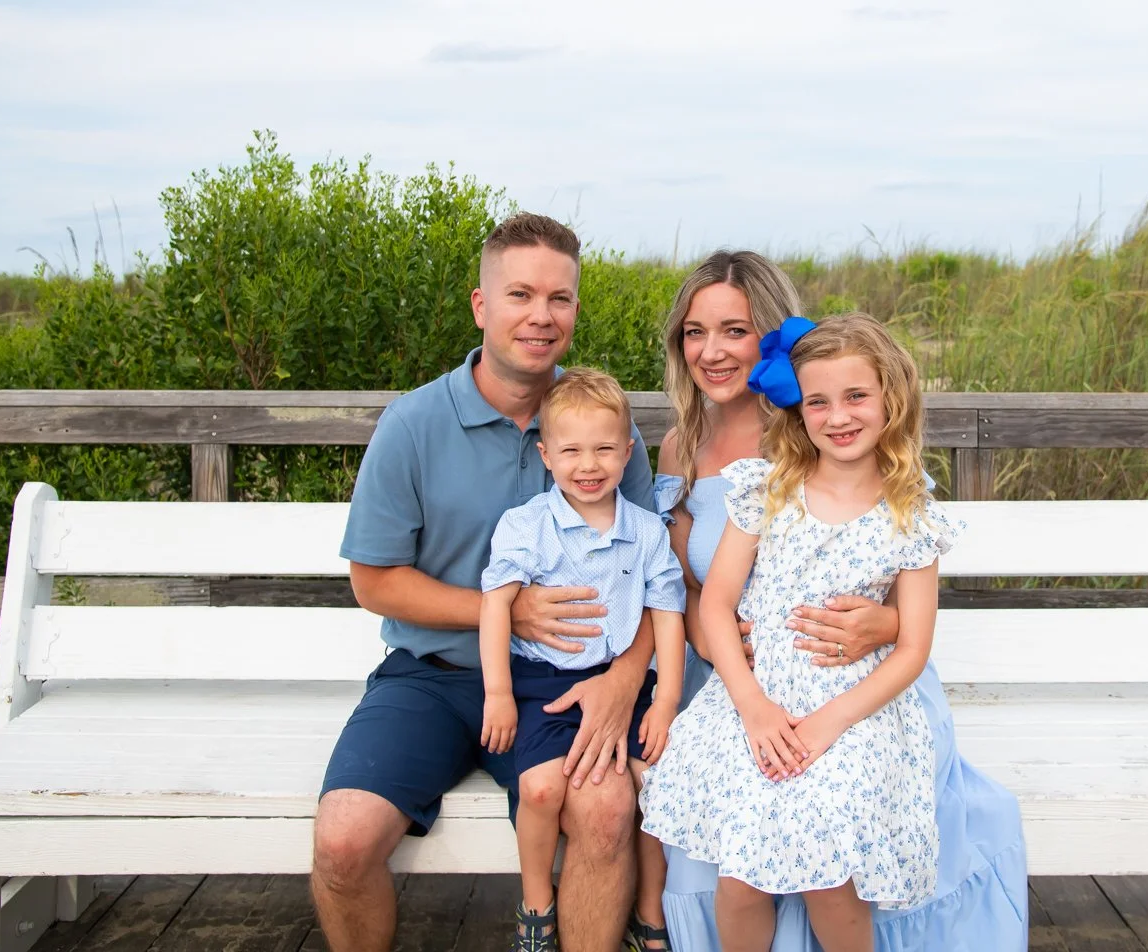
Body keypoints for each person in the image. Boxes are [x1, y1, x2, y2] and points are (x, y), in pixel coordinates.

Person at [652, 251, 1027, 951]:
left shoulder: (901, 505)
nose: (837, 415)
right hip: (753, 693)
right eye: (694, 333)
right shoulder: (750, 477)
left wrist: (837, 701)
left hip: (853, 700)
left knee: (830, 871)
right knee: (739, 876)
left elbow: (912, 640)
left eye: (733, 331)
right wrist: (753, 701)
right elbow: (706, 597)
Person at [312, 213, 658, 952]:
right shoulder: (413, 424)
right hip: (430, 677)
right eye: (520, 294)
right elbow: (375, 581)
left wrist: (627, 678)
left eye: (560, 298)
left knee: (604, 810)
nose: (541, 316)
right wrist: (509, 614)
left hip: (568, 682)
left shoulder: (601, 427)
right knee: (343, 842)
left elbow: (653, 582)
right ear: (480, 305)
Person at [480, 367, 688, 951]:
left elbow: (666, 613)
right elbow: (495, 607)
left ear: (628, 452)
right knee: (543, 789)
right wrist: (498, 692)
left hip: (625, 682)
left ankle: (651, 916)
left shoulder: (647, 532)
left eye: (604, 449)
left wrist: (665, 699)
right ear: (546, 455)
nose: (588, 465)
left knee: (658, 782)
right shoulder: (526, 527)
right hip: (543, 681)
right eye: (570, 450)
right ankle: (535, 907)